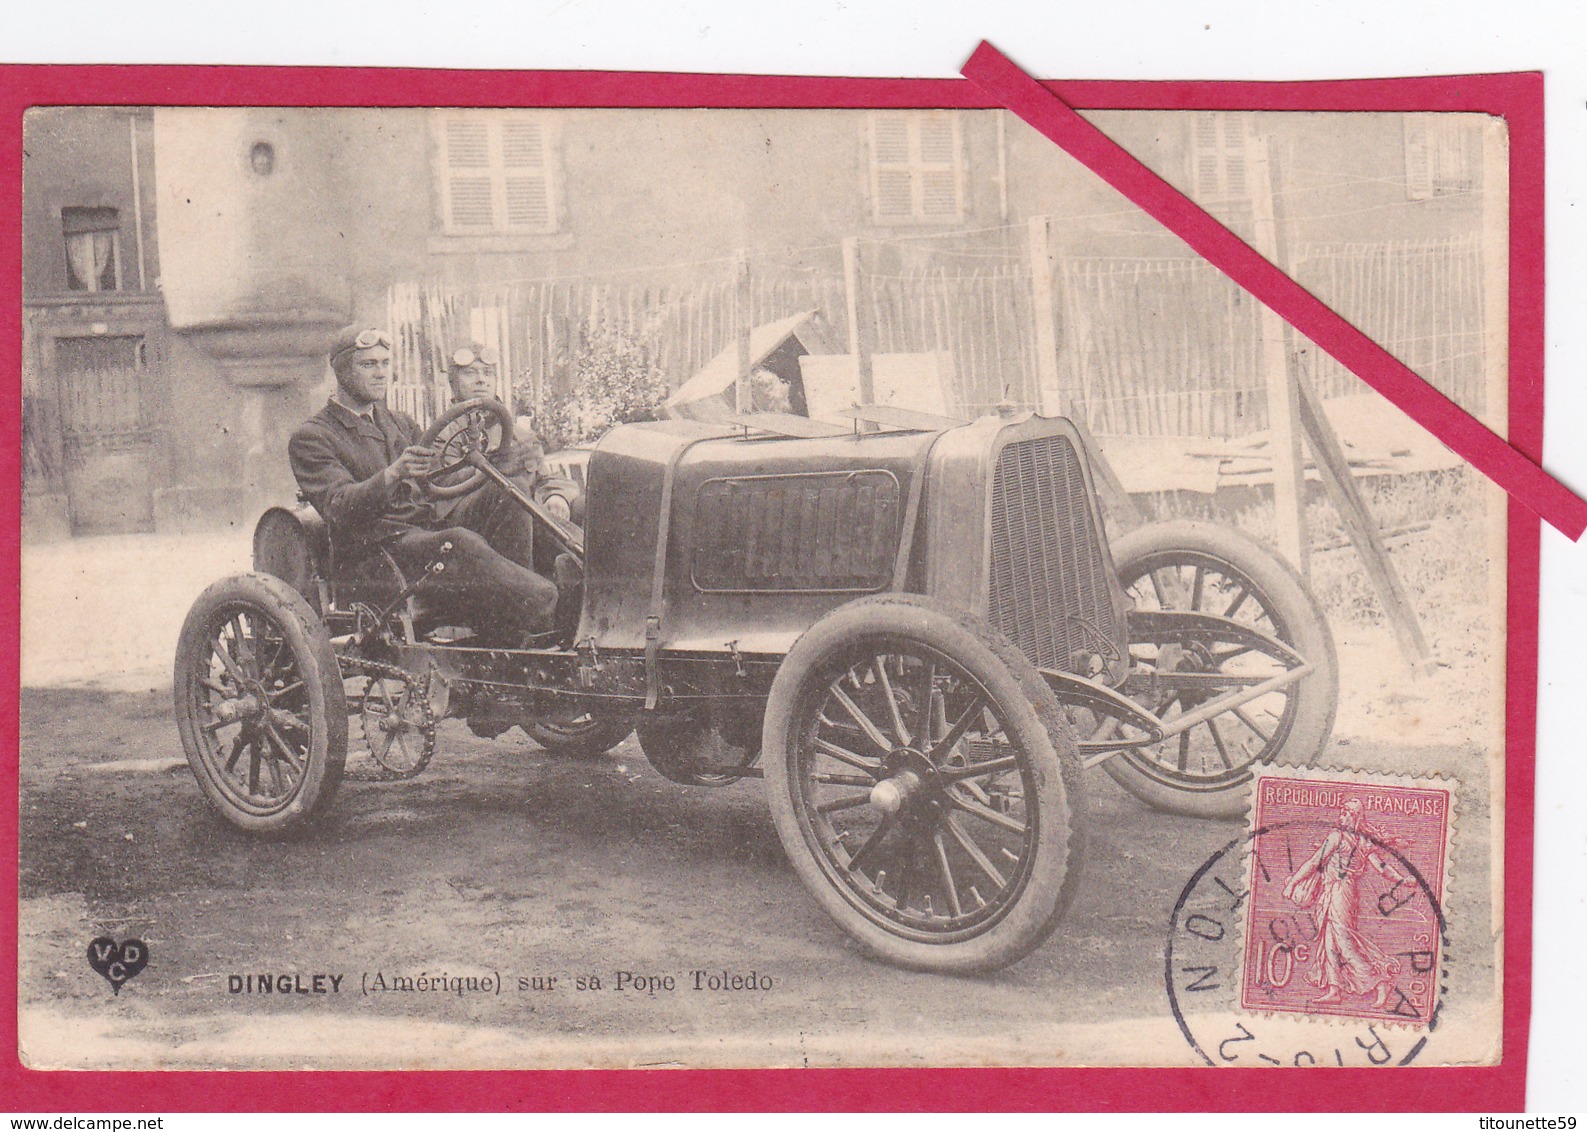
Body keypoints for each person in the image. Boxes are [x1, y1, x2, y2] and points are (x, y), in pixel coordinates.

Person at [288, 326, 560, 643]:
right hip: (377, 551)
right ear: (342, 370)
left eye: (385, 363)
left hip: (423, 532)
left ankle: (511, 624)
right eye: (368, 365)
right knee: (459, 542)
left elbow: (440, 480)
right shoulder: (313, 436)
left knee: (506, 495)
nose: (380, 373)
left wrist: (502, 464)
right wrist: (392, 475)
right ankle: (543, 606)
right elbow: (337, 506)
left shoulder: (399, 422)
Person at [1281, 796, 1408, 1009]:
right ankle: (1334, 990)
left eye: (1347, 813)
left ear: (1356, 817)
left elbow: (1314, 863)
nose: (1342, 817)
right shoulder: (1358, 840)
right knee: (1329, 940)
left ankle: (1380, 982)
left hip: (1341, 893)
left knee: (1342, 940)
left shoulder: (1340, 838)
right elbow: (1382, 868)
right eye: (1342, 812)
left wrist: (1292, 884)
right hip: (1338, 892)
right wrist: (1402, 879)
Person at [445, 342, 583, 527]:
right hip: (477, 524)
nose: (481, 380)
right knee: (516, 488)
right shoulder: (445, 433)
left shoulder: (517, 434)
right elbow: (444, 485)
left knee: (584, 507)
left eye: (487, 373)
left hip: (524, 517)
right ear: (454, 383)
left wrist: (557, 495)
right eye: (470, 373)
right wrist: (497, 468)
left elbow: (546, 476)